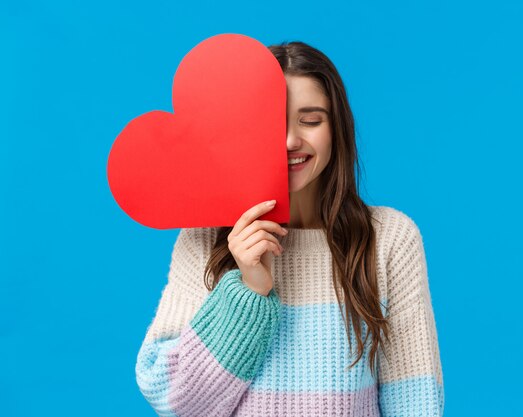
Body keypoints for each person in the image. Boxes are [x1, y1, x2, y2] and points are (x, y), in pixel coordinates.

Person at [135, 40, 445, 416]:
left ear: (337, 129)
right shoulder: (205, 238)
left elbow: (415, 401)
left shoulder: (390, 239)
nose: (289, 140)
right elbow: (177, 401)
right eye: (270, 121)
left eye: (311, 120)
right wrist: (248, 291)